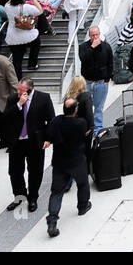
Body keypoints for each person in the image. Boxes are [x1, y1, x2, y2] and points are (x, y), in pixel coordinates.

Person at [4, 78, 54, 214]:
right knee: (14, 172)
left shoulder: (43, 98)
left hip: (35, 142)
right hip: (17, 142)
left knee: (35, 171)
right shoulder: (13, 99)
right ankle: (19, 196)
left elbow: (51, 120)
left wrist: (49, 139)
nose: (19, 92)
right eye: (18, 90)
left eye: (22, 90)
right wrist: (19, 105)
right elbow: (6, 117)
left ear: (30, 90)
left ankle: (33, 198)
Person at [44, 98, 90, 238]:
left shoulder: (57, 121)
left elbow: (50, 135)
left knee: (56, 192)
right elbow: (85, 135)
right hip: (76, 162)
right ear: (75, 110)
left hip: (59, 162)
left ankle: (52, 221)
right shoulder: (81, 123)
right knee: (83, 183)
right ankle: (82, 206)